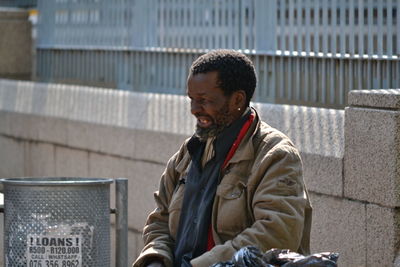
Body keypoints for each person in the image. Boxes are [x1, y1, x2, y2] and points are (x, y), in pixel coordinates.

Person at [132, 49, 312, 267]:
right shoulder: (189, 153)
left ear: (237, 99)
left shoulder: (276, 155)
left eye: (204, 100)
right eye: (191, 99)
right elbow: (160, 220)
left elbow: (277, 232)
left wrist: (200, 264)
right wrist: (155, 259)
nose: (194, 109)